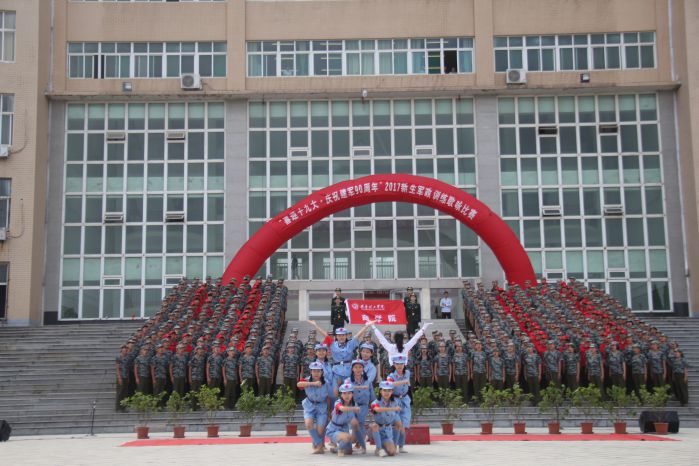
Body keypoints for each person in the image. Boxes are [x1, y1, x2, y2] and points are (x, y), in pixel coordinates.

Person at [308, 320, 375, 392]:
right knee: (335, 392)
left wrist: (366, 326)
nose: (341, 337)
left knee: (349, 391)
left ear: (346, 336)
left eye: (343, 335)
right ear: (336, 336)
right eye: (339, 335)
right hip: (336, 372)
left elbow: (358, 335)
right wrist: (315, 325)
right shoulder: (333, 344)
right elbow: (324, 335)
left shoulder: (350, 343)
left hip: (349, 372)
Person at [298, 361, 331, 454]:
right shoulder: (306, 380)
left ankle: (317, 445)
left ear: (322, 372)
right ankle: (319, 444)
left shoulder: (326, 383)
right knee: (308, 424)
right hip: (309, 405)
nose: (316, 373)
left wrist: (329, 410)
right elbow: (299, 384)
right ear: (311, 372)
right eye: (314, 371)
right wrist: (313, 383)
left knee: (320, 430)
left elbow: (328, 397)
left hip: (321, 407)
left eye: (318, 371)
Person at [326, 381, 360, 457]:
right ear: (341, 395)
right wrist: (354, 408)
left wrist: (355, 427)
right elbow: (342, 408)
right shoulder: (338, 403)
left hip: (344, 428)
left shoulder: (354, 404)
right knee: (347, 436)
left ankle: (336, 449)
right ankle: (340, 449)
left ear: (352, 394)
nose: (347, 395)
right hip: (333, 429)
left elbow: (353, 420)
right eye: (344, 393)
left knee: (349, 451)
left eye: (349, 393)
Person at [370, 380, 402, 457]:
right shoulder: (375, 403)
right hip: (376, 430)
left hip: (387, 432)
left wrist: (398, 424)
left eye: (389, 390)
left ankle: (393, 445)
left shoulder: (395, 403)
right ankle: (378, 448)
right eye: (384, 390)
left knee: (392, 452)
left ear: (392, 392)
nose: (386, 393)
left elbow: (396, 417)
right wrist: (392, 409)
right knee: (374, 425)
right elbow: (377, 409)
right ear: (380, 391)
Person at [348, 359, 374, 454]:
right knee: (354, 426)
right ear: (352, 369)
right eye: (355, 367)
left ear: (363, 369)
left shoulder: (368, 382)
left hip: (363, 407)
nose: (358, 369)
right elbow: (343, 392)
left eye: (360, 367)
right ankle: (350, 444)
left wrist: (373, 407)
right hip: (351, 407)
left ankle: (362, 446)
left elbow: (372, 396)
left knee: (361, 425)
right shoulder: (348, 381)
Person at [387, 355, 411, 452]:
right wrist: (402, 382)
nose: (400, 366)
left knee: (403, 424)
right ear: (394, 364)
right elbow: (389, 384)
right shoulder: (391, 376)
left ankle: (401, 446)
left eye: (401, 364)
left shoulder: (407, 373)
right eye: (397, 364)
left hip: (405, 400)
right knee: (397, 423)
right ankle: (394, 445)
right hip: (395, 400)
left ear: (404, 364)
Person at [115, 345, 130, 412]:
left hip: (126, 377)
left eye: (126, 349)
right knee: (120, 392)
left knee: (125, 393)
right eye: (124, 349)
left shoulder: (127, 358)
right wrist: (119, 378)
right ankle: (118, 407)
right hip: (121, 377)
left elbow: (127, 368)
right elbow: (117, 368)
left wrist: (128, 377)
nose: (125, 350)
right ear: (121, 350)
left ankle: (123, 407)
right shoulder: (118, 357)